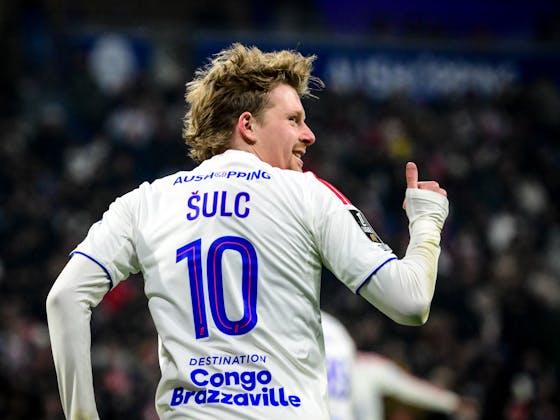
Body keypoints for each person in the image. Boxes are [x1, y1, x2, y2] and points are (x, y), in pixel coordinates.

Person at [46, 43, 449, 419]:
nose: (309, 134)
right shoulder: (307, 193)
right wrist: (427, 220)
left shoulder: (145, 203)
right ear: (248, 126)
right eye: (293, 120)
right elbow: (410, 301)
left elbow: (64, 298)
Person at [322, 311, 478, 420]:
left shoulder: (366, 367)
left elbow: (411, 388)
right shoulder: (367, 365)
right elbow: (411, 388)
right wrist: (452, 402)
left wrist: (452, 402)